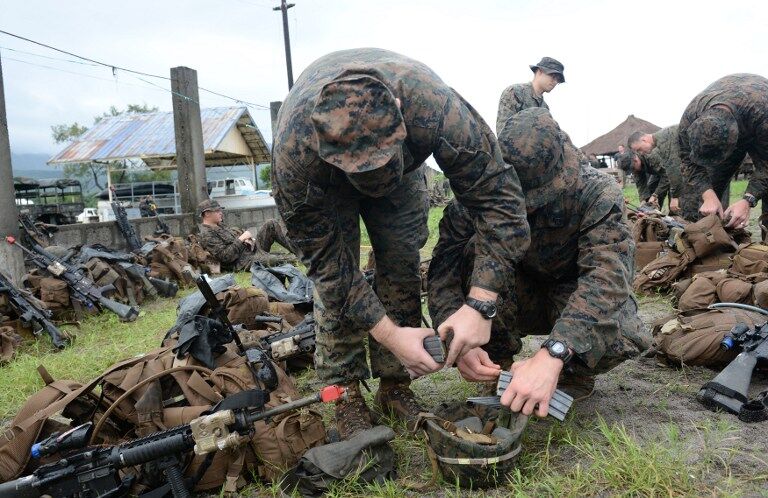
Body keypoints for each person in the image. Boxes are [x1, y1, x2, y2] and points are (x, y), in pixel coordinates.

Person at [271, 48, 530, 439]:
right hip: (328, 184)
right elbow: (331, 269)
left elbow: (501, 202)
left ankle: (395, 385)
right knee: (338, 281)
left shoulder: (434, 105)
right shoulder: (295, 156)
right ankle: (344, 391)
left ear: (398, 112)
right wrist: (389, 334)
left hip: (406, 170)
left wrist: (480, 304)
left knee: (401, 262)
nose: (374, 180)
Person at [428, 108, 650, 417]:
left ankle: (570, 373)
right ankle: (498, 369)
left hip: (572, 291)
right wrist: (457, 337)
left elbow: (606, 277)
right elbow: (444, 271)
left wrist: (555, 352)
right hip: (512, 294)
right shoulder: (477, 197)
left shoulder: (596, 192)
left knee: (623, 331)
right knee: (473, 255)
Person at [678, 73, 768, 227]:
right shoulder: (691, 117)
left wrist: (748, 199)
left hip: (759, 118)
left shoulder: (763, 112)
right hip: (740, 113)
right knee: (708, 190)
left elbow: (766, 166)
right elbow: (687, 160)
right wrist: (707, 194)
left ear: (733, 141)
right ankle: (711, 235)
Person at [197, 199, 292, 272]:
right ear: (207, 213)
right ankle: (298, 258)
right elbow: (225, 257)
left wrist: (248, 240)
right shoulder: (206, 234)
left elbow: (234, 240)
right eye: (217, 211)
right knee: (278, 259)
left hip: (252, 250)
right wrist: (241, 239)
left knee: (271, 224)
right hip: (243, 262)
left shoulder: (220, 225)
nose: (221, 213)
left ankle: (298, 250)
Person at [496, 57, 565, 134]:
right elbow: (503, 131)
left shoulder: (545, 108)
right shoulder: (516, 92)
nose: (555, 82)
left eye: (558, 80)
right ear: (540, 72)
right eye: (553, 76)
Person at [627, 126, 684, 214]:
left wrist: (656, 195)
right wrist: (643, 200)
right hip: (658, 173)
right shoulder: (634, 166)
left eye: (639, 149)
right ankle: (653, 213)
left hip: (669, 171)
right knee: (650, 191)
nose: (641, 152)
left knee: (672, 194)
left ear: (635, 160)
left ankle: (675, 215)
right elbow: (640, 184)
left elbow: (668, 175)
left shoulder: (652, 155)